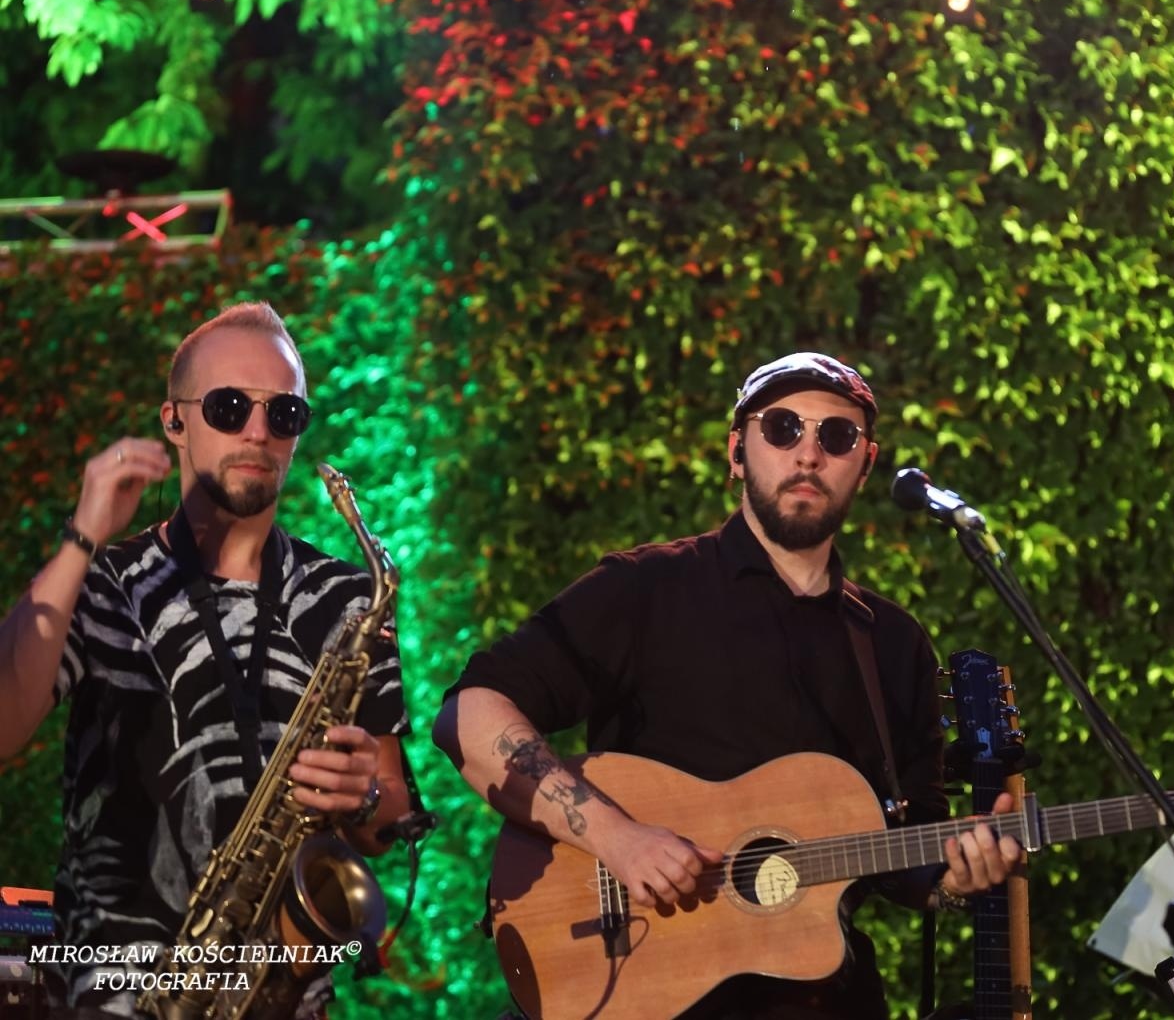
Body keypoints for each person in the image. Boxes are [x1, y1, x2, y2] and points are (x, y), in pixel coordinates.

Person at [434, 351, 1023, 1018]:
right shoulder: (646, 590)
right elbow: (468, 715)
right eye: (781, 429)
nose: (808, 454)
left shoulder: (892, 642)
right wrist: (617, 838)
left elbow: (907, 850)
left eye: (836, 436)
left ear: (865, 462)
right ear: (738, 451)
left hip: (825, 998)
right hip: (644, 992)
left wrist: (954, 874)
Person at [0, 302, 412, 1017]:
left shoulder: (347, 597)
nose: (258, 430)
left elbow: (391, 815)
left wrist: (365, 799)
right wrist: (82, 537)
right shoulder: (101, 582)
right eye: (229, 407)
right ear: (174, 421)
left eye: (284, 413)